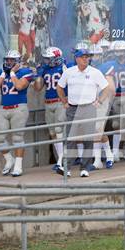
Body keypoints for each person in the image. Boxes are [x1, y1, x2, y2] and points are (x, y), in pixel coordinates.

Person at [56, 47, 110, 177]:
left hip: (88, 107)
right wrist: (64, 101)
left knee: (88, 139)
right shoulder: (69, 72)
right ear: (77, 58)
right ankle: (67, 167)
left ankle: (85, 167)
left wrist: (100, 101)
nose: (86, 59)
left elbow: (106, 88)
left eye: (87, 57)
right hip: (73, 108)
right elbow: (59, 87)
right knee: (70, 138)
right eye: (83, 57)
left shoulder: (95, 72)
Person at [0, 50, 33, 176]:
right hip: (3, 108)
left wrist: (13, 73)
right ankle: (9, 159)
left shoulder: (25, 72)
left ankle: (18, 167)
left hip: (19, 108)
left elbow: (19, 86)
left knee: (17, 138)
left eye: (11, 60)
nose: (9, 62)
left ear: (18, 61)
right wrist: (4, 74)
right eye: (7, 59)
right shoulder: (1, 72)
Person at [33, 47, 67, 171]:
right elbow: (37, 88)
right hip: (48, 103)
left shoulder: (64, 68)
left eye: (48, 58)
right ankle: (60, 158)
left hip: (59, 102)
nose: (46, 61)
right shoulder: (45, 70)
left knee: (59, 130)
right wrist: (38, 76)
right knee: (52, 133)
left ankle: (61, 160)